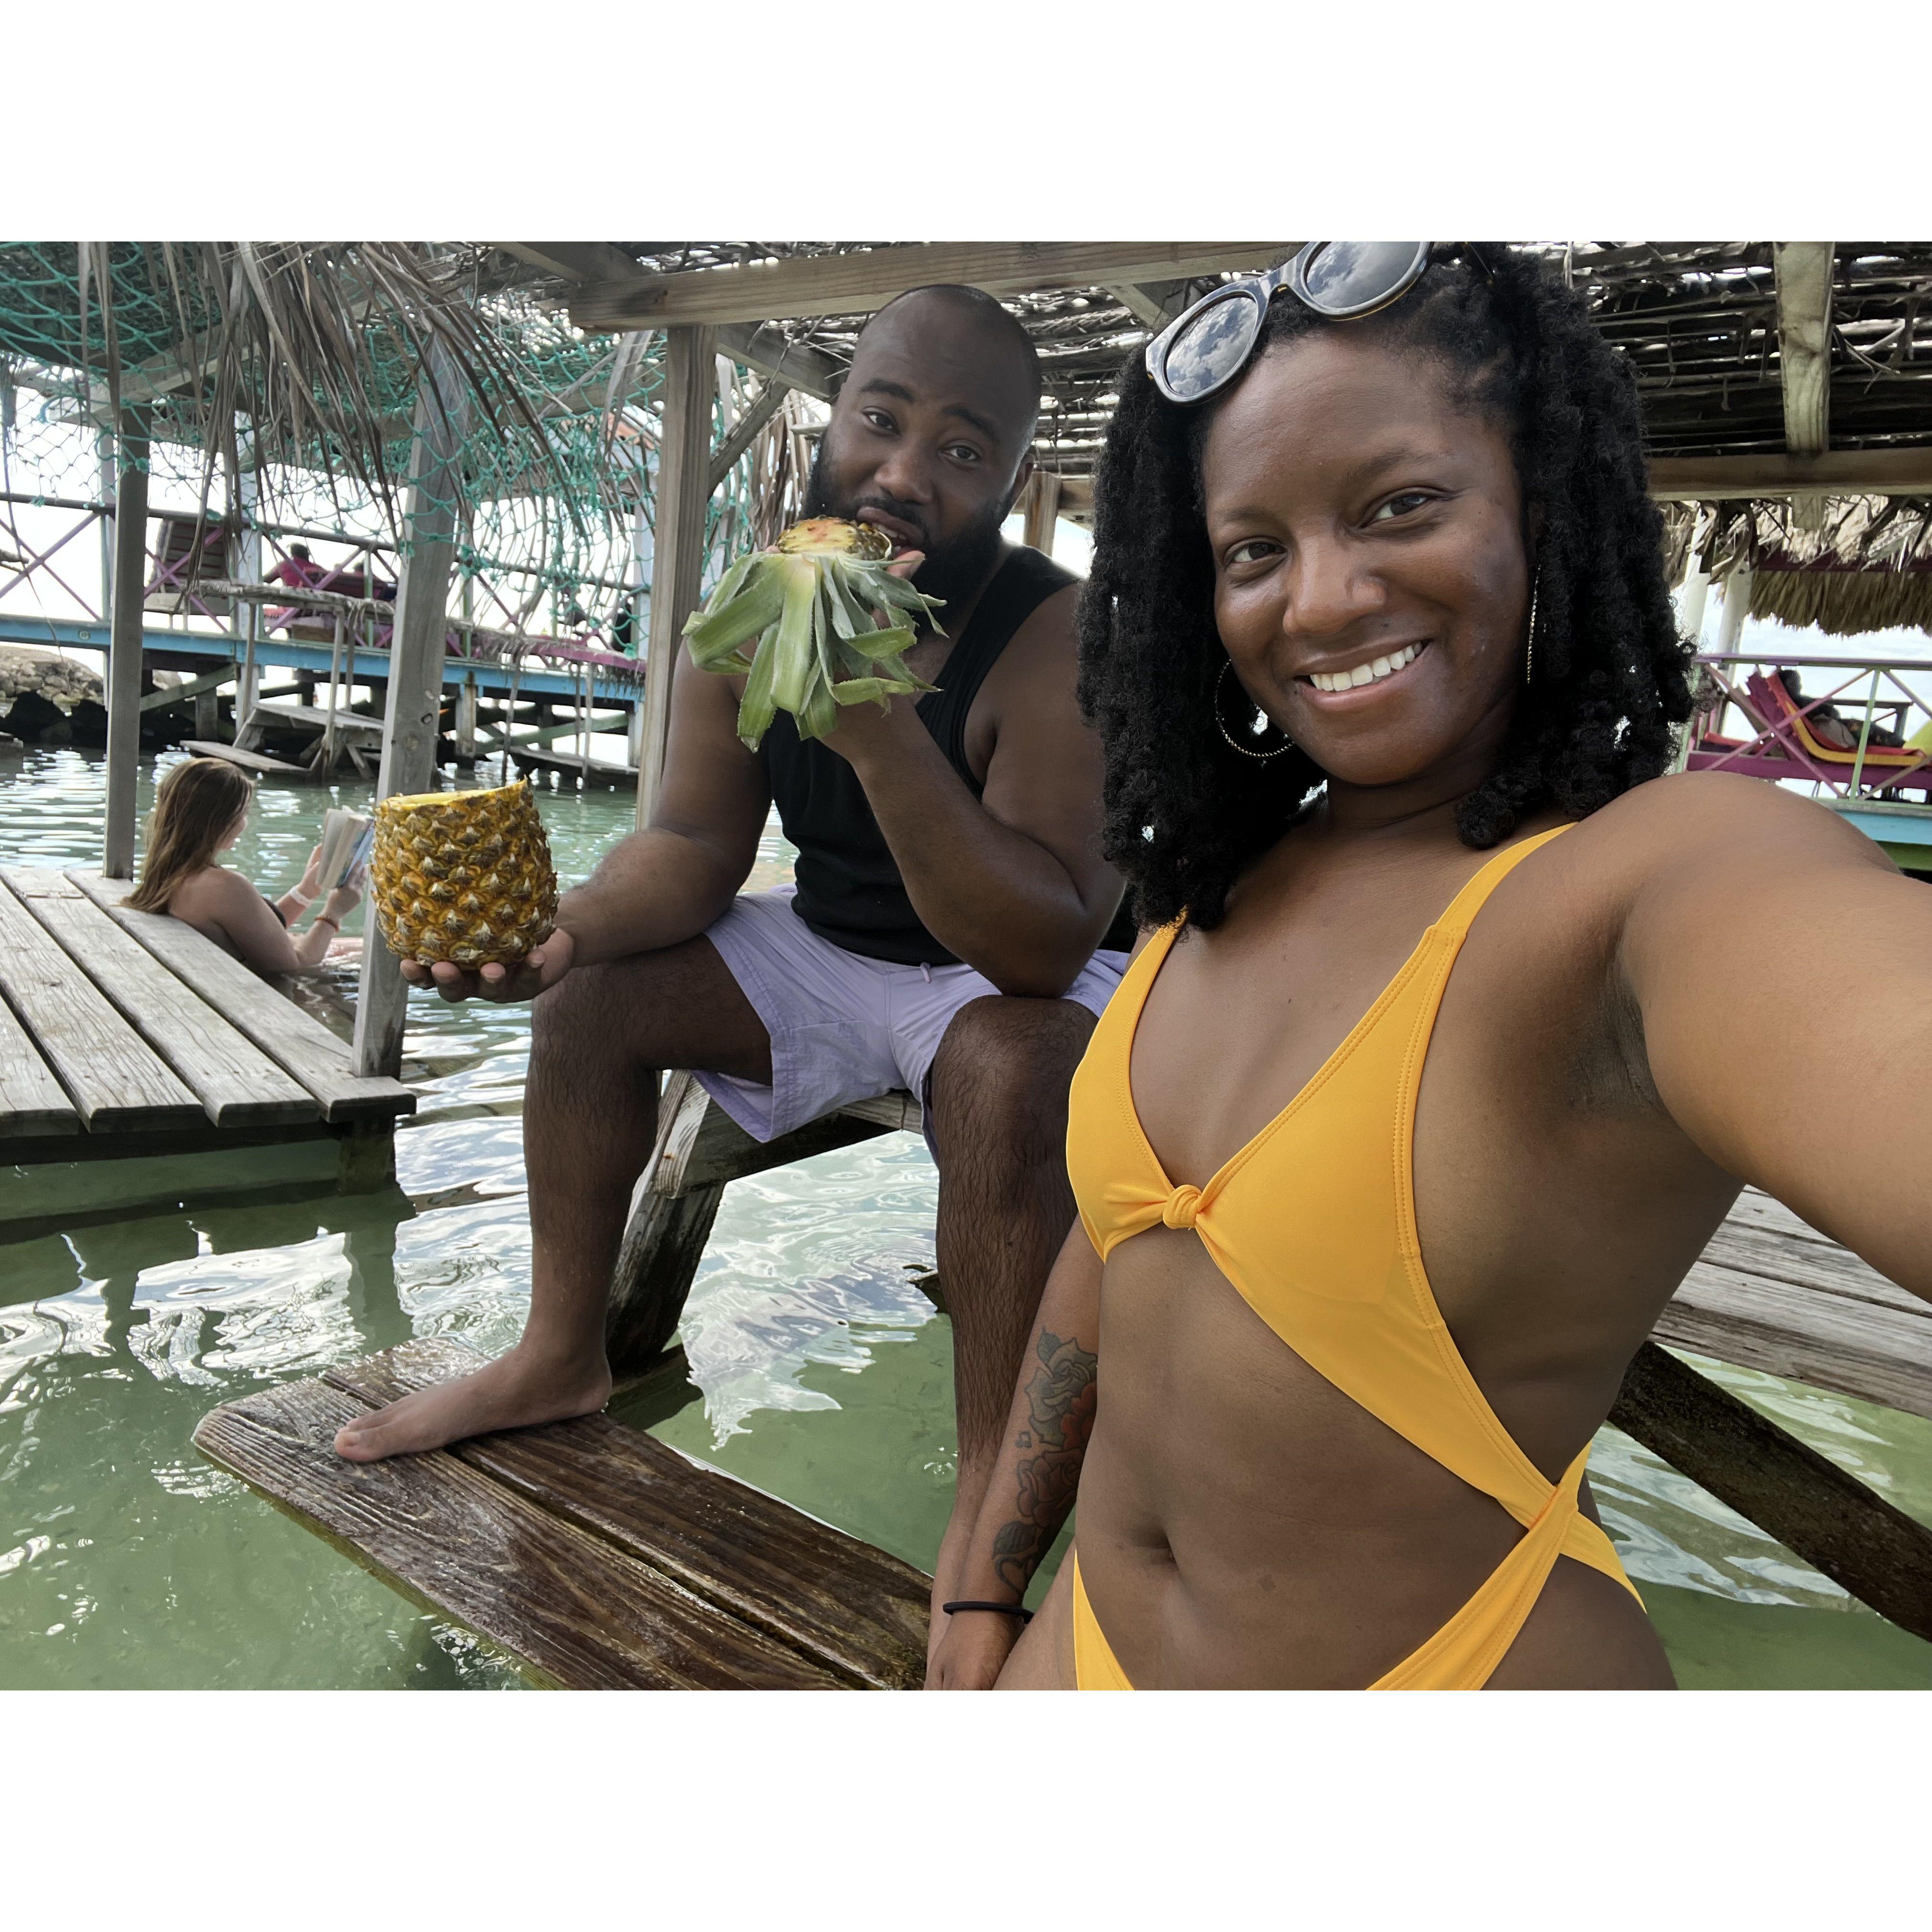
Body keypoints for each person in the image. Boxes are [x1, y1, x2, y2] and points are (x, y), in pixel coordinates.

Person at [929, 243, 1932, 1690]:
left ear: (1544, 516)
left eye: (1400, 506)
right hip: (1083, 1648)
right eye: (1252, 550)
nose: (1321, 601)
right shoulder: (1210, 897)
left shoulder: (1634, 892)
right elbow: (1115, 1251)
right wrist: (985, 1587)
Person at [332, 285, 1134, 1647]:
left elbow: (1042, 944)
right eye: (881, 421)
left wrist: (876, 728)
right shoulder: (755, 604)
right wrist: (571, 931)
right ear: (833, 426)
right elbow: (699, 845)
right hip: (837, 945)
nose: (902, 474)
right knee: (597, 994)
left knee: (1009, 1072)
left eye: (961, 449)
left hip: (1024, 979)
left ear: (1009, 479)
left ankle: (988, 1518)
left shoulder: (1062, 639)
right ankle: (559, 1355)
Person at [129, 755, 363, 972]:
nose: (244, 823)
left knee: (359, 946)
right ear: (218, 821)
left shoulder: (171, 874)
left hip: (215, 977)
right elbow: (293, 965)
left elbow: (256, 927)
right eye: (242, 813)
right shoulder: (225, 887)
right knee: (367, 952)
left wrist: (306, 892)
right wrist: (335, 911)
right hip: (261, 991)